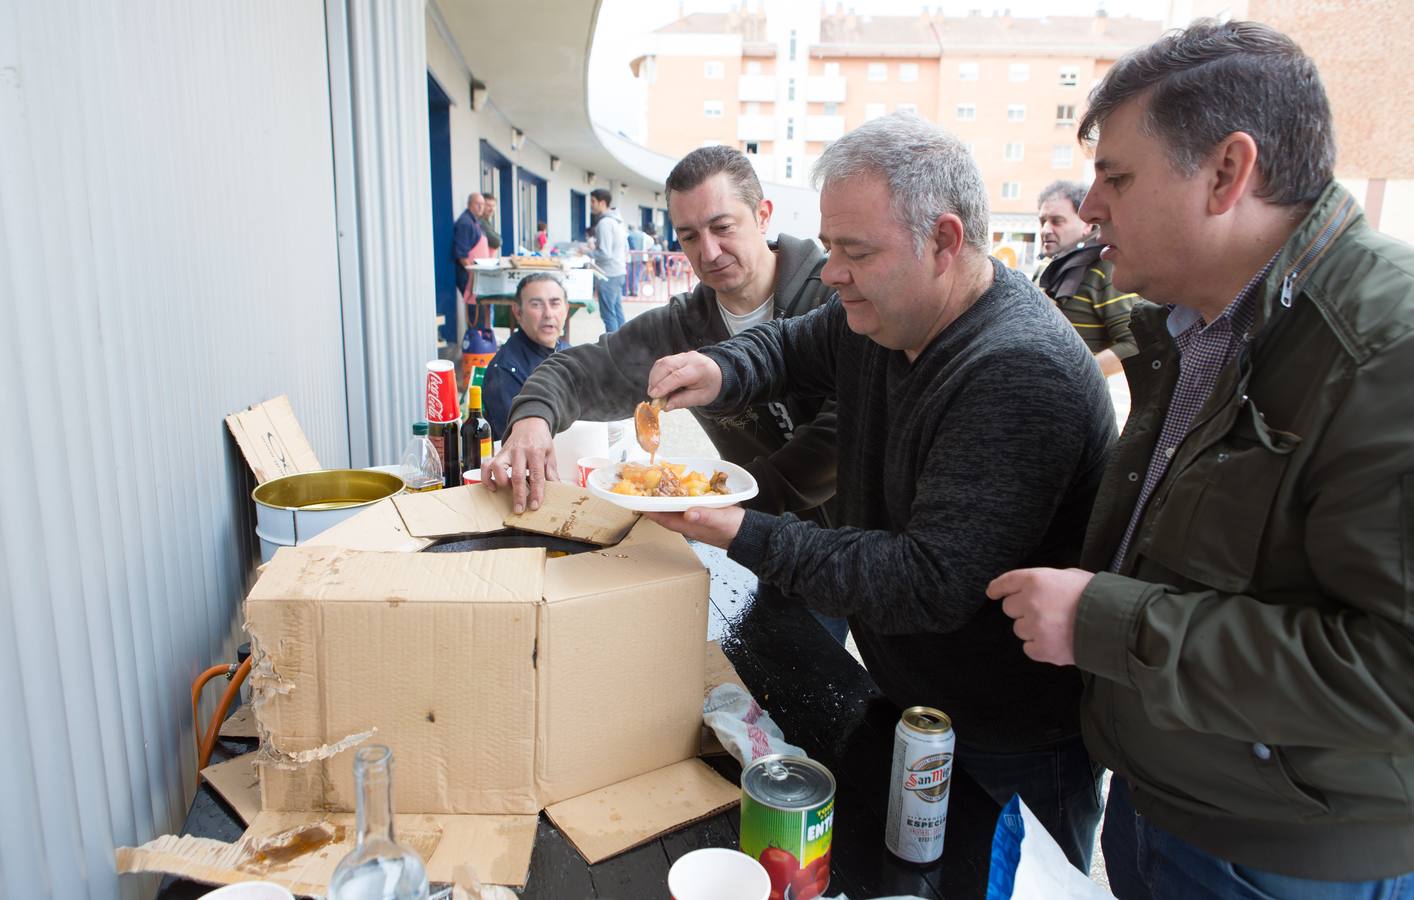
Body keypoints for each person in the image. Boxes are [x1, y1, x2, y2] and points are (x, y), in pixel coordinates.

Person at [987, 20, 1414, 898]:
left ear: (1227, 173)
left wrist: (1106, 622)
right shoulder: (1195, 325)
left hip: (1281, 857)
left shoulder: (1384, 352)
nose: (1092, 204)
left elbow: (1397, 676)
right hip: (1167, 805)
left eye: (1118, 177)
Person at [639, 114, 1114, 868]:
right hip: (913, 698)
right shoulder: (880, 312)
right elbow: (794, 342)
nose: (832, 273)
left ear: (946, 241)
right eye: (829, 248)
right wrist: (722, 369)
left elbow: (924, 581)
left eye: (855, 253)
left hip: (1011, 738)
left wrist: (738, 530)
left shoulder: (1015, 371)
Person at [484, 145, 847, 643]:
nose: (709, 252)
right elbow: (581, 370)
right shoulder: (686, 324)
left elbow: (848, 425)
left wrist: (740, 500)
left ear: (763, 215)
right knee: (784, 674)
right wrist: (531, 419)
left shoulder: (833, 295)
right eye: (689, 236)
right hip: (761, 543)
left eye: (723, 228)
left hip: (852, 538)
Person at [1034, 180, 1138, 377]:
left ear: (1087, 226)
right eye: (1042, 221)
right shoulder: (1044, 268)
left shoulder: (1106, 269)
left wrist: (1075, 376)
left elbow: (1134, 344)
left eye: (1057, 221)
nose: (1045, 230)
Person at [482, 273, 570, 437]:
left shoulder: (568, 352)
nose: (548, 314)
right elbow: (521, 441)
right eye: (536, 305)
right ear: (518, 312)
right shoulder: (505, 370)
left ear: (566, 309)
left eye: (555, 303)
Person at [588, 188, 627, 331]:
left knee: (608, 315)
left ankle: (614, 350)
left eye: (593, 201)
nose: (590, 205)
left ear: (602, 203)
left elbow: (605, 254)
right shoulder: (615, 220)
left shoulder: (604, 223)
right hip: (617, 272)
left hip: (608, 274)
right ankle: (625, 346)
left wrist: (587, 252)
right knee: (617, 312)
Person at [452, 193, 488, 297]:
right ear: (469, 205)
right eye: (477, 204)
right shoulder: (465, 223)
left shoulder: (475, 222)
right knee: (476, 310)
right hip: (468, 275)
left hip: (477, 274)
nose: (481, 207)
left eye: (482, 204)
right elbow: (461, 254)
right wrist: (471, 274)